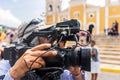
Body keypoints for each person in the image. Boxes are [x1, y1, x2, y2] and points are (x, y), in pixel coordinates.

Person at [3, 19, 84, 80]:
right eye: (45, 36)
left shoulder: (54, 61)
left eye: (50, 36)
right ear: (30, 39)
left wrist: (77, 74)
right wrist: (14, 74)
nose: (50, 41)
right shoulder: (9, 63)